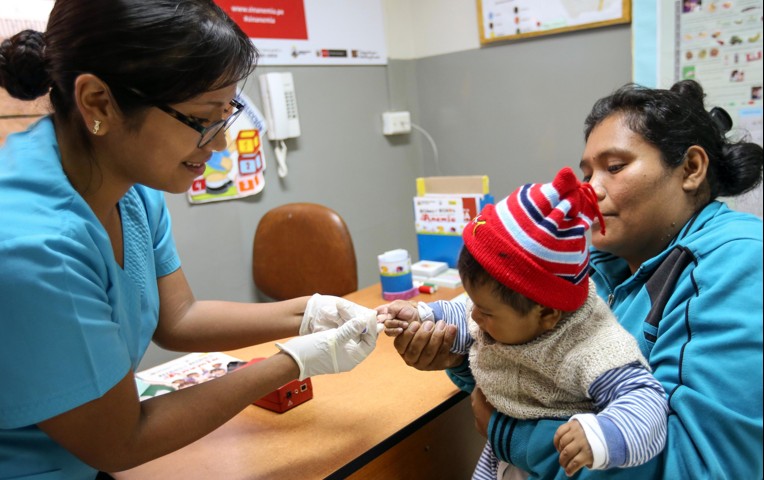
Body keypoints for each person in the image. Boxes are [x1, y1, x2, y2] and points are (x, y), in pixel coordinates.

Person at [0, 1, 379, 478]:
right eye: (202, 118)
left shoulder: (128, 185)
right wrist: (295, 361)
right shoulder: (33, 249)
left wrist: (310, 312)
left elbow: (178, 317)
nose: (219, 143)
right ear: (98, 102)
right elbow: (120, 441)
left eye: (227, 112)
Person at [378, 79, 763, 479]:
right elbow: (546, 380)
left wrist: (513, 435)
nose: (590, 190)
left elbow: (703, 468)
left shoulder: (738, 262)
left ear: (691, 168)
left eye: (614, 167)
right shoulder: (596, 263)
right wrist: (463, 355)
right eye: (587, 173)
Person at [383, 167, 669, 478]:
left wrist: (601, 436)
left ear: (546, 314)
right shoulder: (505, 308)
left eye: (486, 312)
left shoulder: (594, 346)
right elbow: (463, 314)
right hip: (497, 458)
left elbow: (647, 401)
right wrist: (423, 316)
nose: (475, 316)